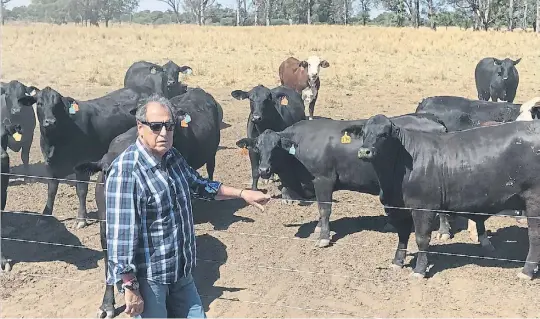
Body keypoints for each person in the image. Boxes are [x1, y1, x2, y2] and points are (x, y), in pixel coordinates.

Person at [104, 94, 271, 318]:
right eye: (156, 126)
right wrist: (129, 285)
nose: (164, 133)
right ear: (140, 126)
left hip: (181, 273)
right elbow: (120, 235)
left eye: (169, 126)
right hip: (151, 280)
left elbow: (200, 186)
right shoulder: (127, 171)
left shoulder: (172, 156)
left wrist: (242, 194)